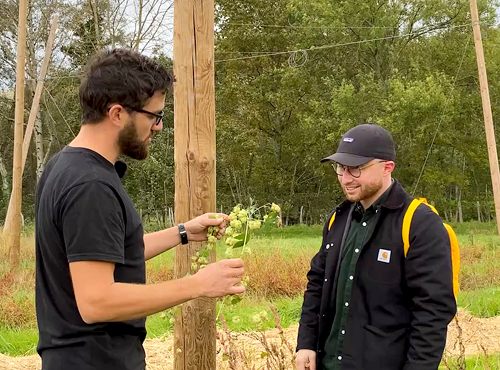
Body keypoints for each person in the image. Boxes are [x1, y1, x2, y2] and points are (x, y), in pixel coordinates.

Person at [35, 48, 245, 370]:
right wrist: (198, 284)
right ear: (118, 114)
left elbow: (109, 253)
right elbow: (96, 301)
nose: (159, 127)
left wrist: (184, 232)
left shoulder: (65, 166)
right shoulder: (91, 186)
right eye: (155, 115)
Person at [295, 123, 456, 370]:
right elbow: (317, 282)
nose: (346, 178)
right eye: (340, 168)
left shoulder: (419, 223)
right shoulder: (339, 218)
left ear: (387, 167)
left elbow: (432, 312)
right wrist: (306, 342)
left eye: (356, 169)